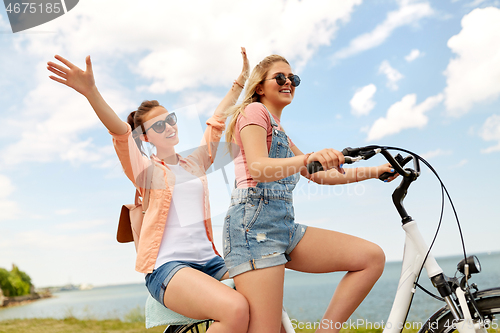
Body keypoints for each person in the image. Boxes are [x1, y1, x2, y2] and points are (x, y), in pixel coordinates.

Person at [47, 48, 250, 333]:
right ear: (145, 136)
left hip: (212, 262)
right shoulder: (147, 171)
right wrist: (91, 92)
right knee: (236, 310)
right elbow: (120, 133)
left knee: (262, 293)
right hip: (169, 268)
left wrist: (239, 83)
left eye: (171, 119)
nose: (168, 126)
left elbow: (217, 120)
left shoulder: (195, 162)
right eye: (158, 125)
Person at [222, 54, 398, 333]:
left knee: (370, 258)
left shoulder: (281, 132)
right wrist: (309, 158)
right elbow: (258, 168)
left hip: (282, 225)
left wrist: (375, 171)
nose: (288, 82)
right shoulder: (254, 112)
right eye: (281, 77)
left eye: (294, 79)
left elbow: (318, 174)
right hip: (253, 226)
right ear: (259, 87)